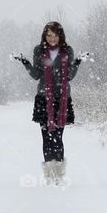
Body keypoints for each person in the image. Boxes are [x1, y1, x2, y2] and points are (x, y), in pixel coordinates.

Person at [15, 21, 82, 186]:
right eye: (49, 35)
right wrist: (25, 62)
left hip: (62, 99)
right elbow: (37, 74)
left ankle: (58, 175)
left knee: (58, 137)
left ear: (61, 36)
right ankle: (50, 176)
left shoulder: (67, 51)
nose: (52, 38)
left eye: (55, 35)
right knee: (46, 137)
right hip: (44, 98)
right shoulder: (39, 51)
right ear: (45, 36)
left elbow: (69, 76)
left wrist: (78, 61)